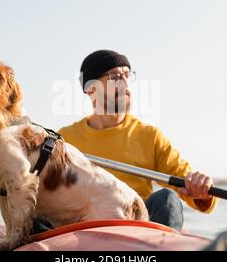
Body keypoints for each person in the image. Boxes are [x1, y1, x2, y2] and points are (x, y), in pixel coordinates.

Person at [58, 50, 217, 231]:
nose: (125, 82)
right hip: (84, 227)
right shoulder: (65, 140)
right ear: (91, 88)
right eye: (115, 76)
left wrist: (201, 187)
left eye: (127, 75)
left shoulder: (150, 136)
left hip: (137, 226)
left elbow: (190, 188)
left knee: (167, 198)